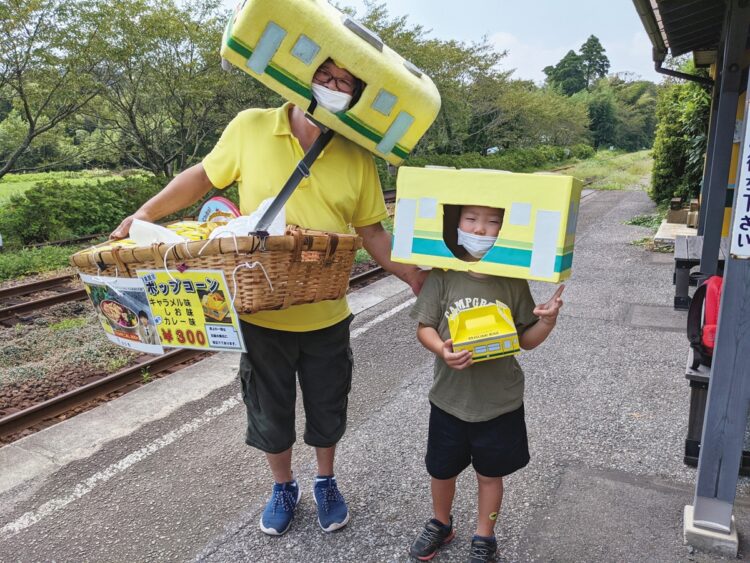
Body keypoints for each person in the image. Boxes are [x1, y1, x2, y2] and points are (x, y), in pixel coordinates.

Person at [110, 58, 426, 536]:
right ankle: (283, 486)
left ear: (355, 95)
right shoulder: (251, 125)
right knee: (268, 410)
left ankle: (325, 480)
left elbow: (373, 234)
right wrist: (144, 213)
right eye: (326, 76)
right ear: (304, 78)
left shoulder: (358, 155)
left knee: (328, 406)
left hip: (326, 313)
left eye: (345, 82)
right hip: (258, 314)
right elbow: (203, 176)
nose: (333, 87)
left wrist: (415, 277)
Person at [407, 204, 564, 562]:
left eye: (493, 222)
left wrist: (548, 322)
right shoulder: (443, 275)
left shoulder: (511, 279)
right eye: (471, 219)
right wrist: (441, 350)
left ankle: (485, 535)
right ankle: (441, 523)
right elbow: (424, 327)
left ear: (505, 230)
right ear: (456, 223)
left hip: (500, 403)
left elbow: (525, 339)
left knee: (490, 474)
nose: (480, 230)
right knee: (441, 470)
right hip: (449, 399)